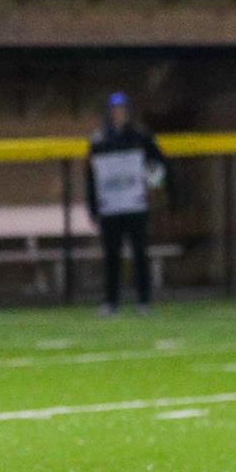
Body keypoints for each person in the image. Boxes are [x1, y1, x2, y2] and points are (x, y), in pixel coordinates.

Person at [86, 91, 173, 315]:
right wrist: (94, 207)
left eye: (122, 109)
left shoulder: (141, 136)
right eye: (115, 110)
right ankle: (111, 302)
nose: (119, 114)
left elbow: (160, 164)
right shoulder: (99, 139)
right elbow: (91, 176)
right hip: (111, 208)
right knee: (112, 256)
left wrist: (153, 186)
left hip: (135, 206)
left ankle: (144, 301)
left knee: (140, 254)